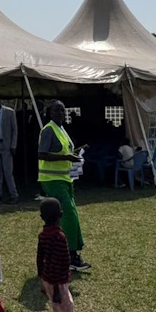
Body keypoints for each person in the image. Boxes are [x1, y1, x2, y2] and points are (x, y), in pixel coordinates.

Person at [38, 100, 90, 271]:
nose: (61, 113)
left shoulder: (61, 129)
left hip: (66, 178)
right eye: (56, 111)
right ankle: (70, 256)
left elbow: (62, 151)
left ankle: (69, 253)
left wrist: (73, 155)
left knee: (72, 214)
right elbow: (42, 154)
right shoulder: (48, 130)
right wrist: (67, 158)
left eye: (63, 110)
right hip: (52, 180)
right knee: (68, 215)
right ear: (50, 113)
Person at [33, 198, 78, 312]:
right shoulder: (59, 237)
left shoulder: (43, 235)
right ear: (61, 215)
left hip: (50, 280)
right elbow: (59, 263)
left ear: (41, 217)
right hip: (56, 282)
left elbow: (40, 258)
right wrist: (56, 288)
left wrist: (41, 279)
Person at [0, 96, 19, 204]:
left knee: (8, 172)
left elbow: (15, 130)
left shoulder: (10, 112)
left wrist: (13, 145)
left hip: (6, 145)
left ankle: (14, 194)